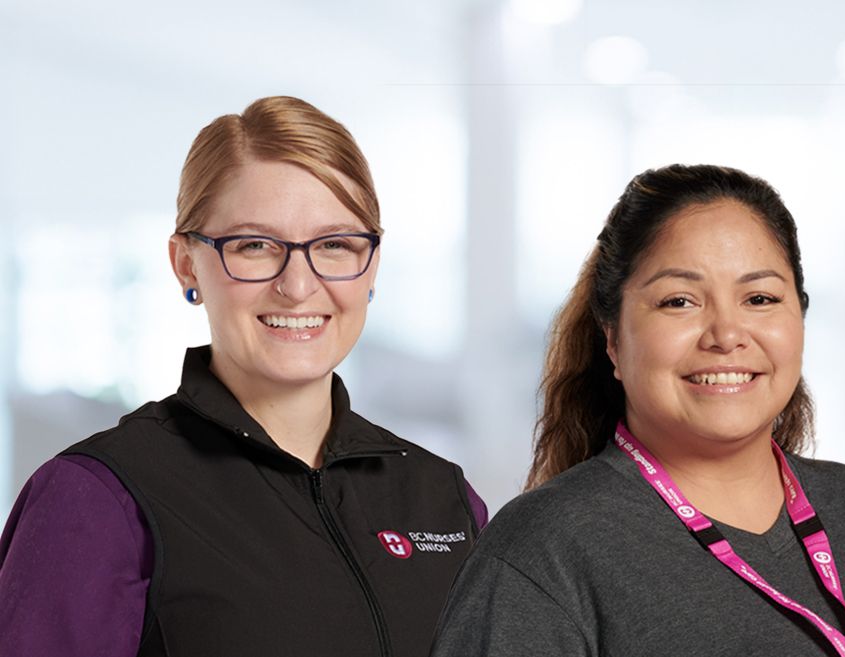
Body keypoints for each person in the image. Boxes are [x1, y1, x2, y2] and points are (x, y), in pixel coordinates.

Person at [429, 164, 845, 656]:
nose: (727, 334)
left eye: (760, 299)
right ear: (613, 340)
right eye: (680, 301)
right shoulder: (545, 549)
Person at [0, 96, 487, 657]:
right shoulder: (96, 500)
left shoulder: (442, 498)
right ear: (186, 264)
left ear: (371, 266)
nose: (298, 285)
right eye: (255, 245)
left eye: (334, 245)